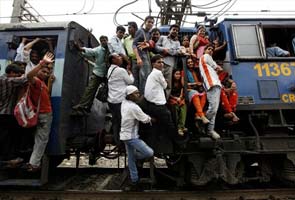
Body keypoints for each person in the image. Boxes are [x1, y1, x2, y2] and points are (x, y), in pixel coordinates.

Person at [120, 85, 154, 191]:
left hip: (124, 135)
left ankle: (134, 181)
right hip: (132, 137)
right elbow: (144, 119)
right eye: (136, 93)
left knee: (130, 159)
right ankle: (135, 158)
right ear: (130, 96)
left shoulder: (124, 103)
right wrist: (152, 119)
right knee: (149, 153)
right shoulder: (134, 107)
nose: (138, 95)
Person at [26, 52, 55, 171]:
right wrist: (42, 63)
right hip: (43, 115)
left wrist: (50, 82)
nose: (46, 74)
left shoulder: (42, 83)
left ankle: (33, 162)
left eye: (47, 72)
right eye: (43, 71)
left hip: (43, 114)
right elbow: (29, 76)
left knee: (40, 139)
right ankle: (34, 164)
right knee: (42, 140)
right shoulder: (36, 81)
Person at [71, 35, 110, 115]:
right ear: (100, 42)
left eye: (104, 40)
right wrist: (78, 47)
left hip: (108, 74)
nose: (103, 42)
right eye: (102, 40)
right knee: (91, 90)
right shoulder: (98, 50)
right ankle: (82, 106)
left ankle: (108, 110)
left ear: (107, 40)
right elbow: (89, 50)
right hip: (98, 73)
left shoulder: (111, 49)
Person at [144, 55, 177, 144]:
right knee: (170, 122)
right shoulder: (157, 73)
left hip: (151, 104)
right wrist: (166, 81)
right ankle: (177, 141)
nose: (161, 64)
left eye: (162, 62)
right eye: (159, 62)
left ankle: (158, 141)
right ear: (153, 64)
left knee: (157, 126)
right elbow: (166, 86)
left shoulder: (153, 73)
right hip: (158, 106)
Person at [107, 53, 134, 145]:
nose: (120, 58)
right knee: (123, 120)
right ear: (113, 60)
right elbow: (130, 82)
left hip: (111, 100)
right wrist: (130, 73)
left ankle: (116, 140)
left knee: (116, 121)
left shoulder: (110, 69)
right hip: (120, 100)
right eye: (118, 57)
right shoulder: (121, 70)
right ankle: (122, 141)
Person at [199, 44, 223, 140]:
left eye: (212, 50)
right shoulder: (206, 56)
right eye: (209, 49)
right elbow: (218, 68)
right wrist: (218, 68)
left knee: (214, 109)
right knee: (213, 109)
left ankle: (210, 130)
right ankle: (201, 122)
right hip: (212, 84)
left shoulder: (206, 60)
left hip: (214, 84)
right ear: (204, 50)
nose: (210, 51)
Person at [155, 24, 183, 99]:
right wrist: (163, 50)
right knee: (157, 82)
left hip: (170, 65)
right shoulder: (162, 38)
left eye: (177, 31)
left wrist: (168, 51)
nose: (175, 31)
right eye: (173, 29)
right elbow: (156, 47)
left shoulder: (177, 43)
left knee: (168, 84)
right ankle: (156, 100)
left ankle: (165, 101)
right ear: (169, 30)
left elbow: (178, 52)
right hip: (159, 63)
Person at [183, 57, 209, 125]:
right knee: (195, 94)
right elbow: (184, 84)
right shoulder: (184, 72)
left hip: (198, 89)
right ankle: (202, 116)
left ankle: (197, 114)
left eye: (191, 62)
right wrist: (195, 83)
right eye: (188, 62)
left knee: (204, 94)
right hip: (189, 90)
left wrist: (199, 84)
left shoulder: (196, 71)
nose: (190, 63)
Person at [132, 16, 155, 94]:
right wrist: (138, 58)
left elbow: (149, 45)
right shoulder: (140, 31)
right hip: (141, 58)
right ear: (145, 22)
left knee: (147, 77)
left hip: (146, 57)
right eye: (149, 22)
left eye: (152, 22)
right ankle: (142, 96)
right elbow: (134, 44)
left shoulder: (149, 33)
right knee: (143, 78)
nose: (150, 24)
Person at [168, 69, 187, 136]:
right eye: (176, 74)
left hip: (179, 98)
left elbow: (182, 90)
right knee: (175, 107)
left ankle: (181, 126)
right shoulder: (170, 82)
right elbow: (168, 93)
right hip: (172, 98)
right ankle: (178, 127)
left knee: (183, 108)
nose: (178, 76)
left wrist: (180, 97)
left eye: (179, 74)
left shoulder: (180, 82)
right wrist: (175, 98)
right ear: (173, 75)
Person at [123, 22, 139, 88]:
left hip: (142, 60)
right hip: (132, 61)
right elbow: (125, 51)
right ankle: (135, 94)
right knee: (134, 78)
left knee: (143, 77)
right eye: (128, 28)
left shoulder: (140, 37)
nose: (128, 29)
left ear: (135, 28)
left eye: (130, 28)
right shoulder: (126, 40)